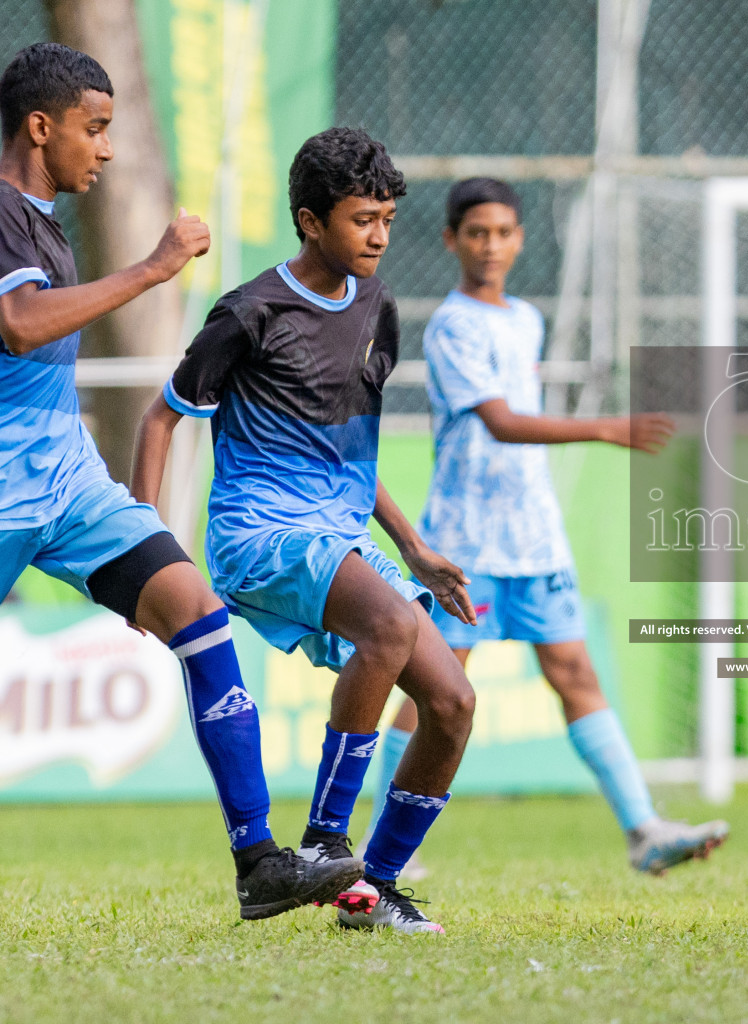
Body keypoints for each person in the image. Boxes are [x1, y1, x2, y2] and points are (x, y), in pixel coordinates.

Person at [0, 42, 359, 921]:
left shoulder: (42, 215)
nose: (108, 149)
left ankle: (259, 862)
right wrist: (154, 269)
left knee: (196, 611)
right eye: (96, 129)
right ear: (40, 128)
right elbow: (15, 323)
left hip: (68, 482)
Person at [133, 127, 475, 935]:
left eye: (389, 218)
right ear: (310, 220)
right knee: (389, 628)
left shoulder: (379, 306)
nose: (381, 236)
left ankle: (373, 891)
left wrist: (414, 548)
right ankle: (325, 840)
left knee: (453, 702)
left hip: (341, 539)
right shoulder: (250, 312)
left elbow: (349, 450)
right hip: (260, 537)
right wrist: (144, 552)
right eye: (363, 219)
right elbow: (159, 421)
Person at [364, 177, 729, 876]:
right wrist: (603, 429)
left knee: (574, 672)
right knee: (437, 690)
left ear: (520, 238)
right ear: (451, 240)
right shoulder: (451, 325)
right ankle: (387, 846)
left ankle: (644, 829)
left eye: (503, 232)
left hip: (535, 538)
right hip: (466, 541)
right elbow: (499, 422)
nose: (491, 245)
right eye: (477, 233)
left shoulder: (525, 319)